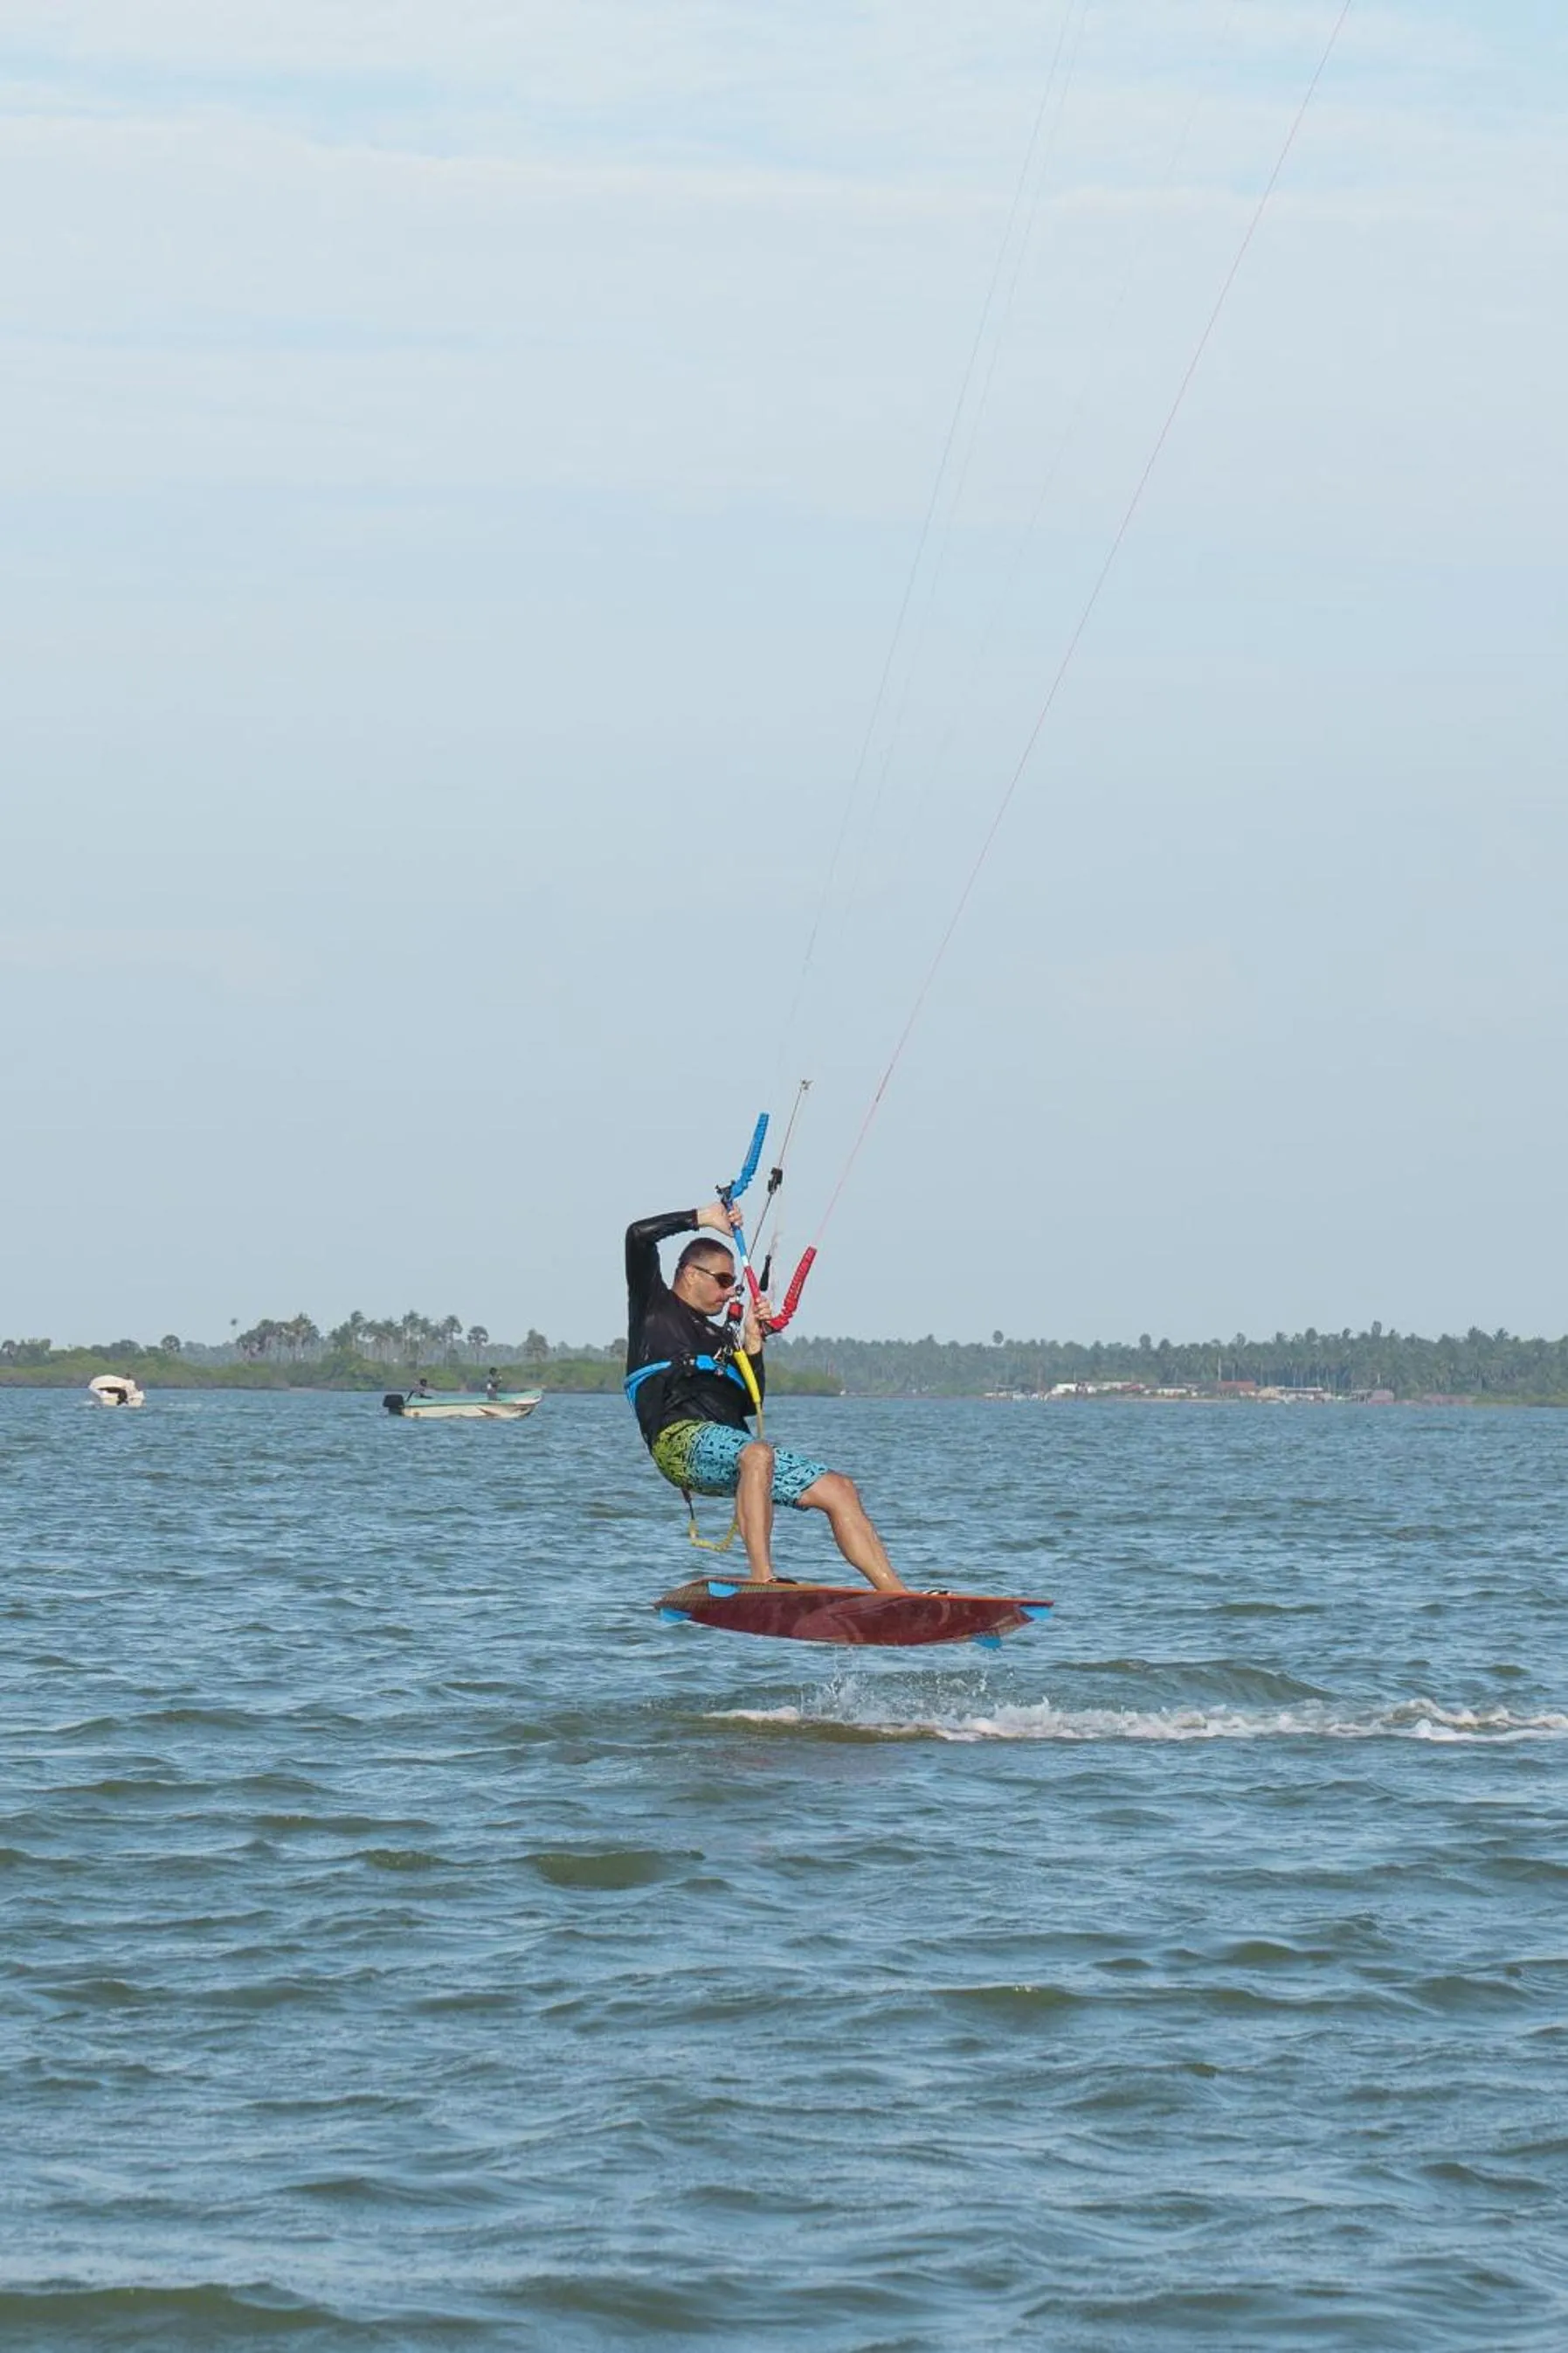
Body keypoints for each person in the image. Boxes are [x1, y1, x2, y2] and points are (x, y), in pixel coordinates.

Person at [625, 1199, 905, 1591]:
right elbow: (637, 1235)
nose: (728, 1293)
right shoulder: (655, 1307)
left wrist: (753, 1344)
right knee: (758, 1452)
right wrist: (703, 1219)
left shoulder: (722, 1338)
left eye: (732, 1284)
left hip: (732, 1451)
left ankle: (895, 1594)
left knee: (839, 1489)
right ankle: (763, 1579)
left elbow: (745, 1402)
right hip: (677, 1442)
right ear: (690, 1274)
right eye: (723, 1281)